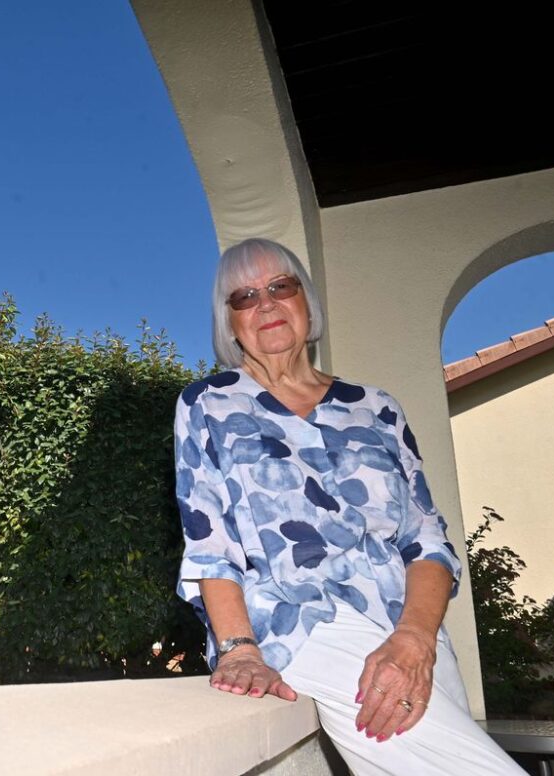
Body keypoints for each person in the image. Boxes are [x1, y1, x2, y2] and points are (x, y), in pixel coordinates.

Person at [175, 238, 523, 774]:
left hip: (406, 625)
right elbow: (210, 542)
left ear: (305, 302)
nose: (265, 303)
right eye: (243, 296)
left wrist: (415, 638)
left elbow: (427, 540)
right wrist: (240, 648)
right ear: (229, 322)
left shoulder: (377, 408)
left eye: (279, 287)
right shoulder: (208, 405)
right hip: (302, 625)